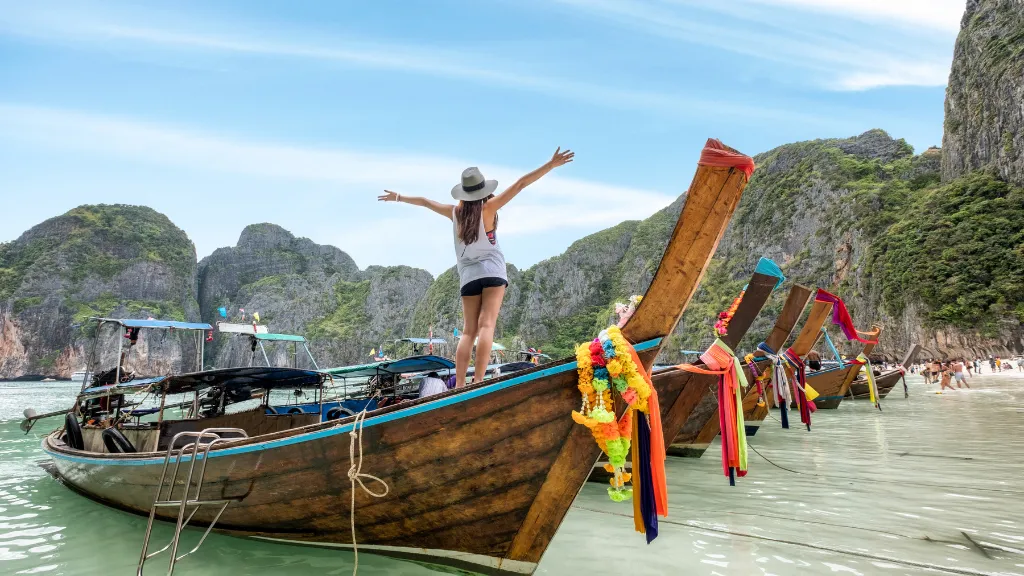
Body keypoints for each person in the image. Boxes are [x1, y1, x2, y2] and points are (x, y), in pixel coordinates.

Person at [379, 148, 574, 386]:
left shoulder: (455, 212)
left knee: (468, 331)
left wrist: (399, 197)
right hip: (492, 271)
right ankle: (479, 379)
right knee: (487, 325)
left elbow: (426, 202)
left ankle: (459, 384)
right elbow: (521, 184)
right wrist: (550, 165)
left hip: (468, 276)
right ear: (483, 190)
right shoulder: (488, 209)